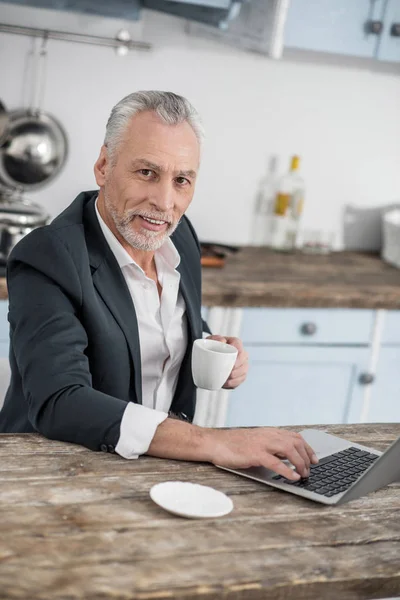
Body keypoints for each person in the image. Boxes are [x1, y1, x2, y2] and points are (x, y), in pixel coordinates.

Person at [0, 91, 317, 480]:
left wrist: (211, 345)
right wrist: (216, 442)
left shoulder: (180, 239)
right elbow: (61, 401)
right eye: (147, 173)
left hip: (156, 469)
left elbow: (156, 327)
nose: (164, 202)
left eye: (181, 180)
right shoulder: (49, 256)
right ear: (103, 166)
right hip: (54, 473)